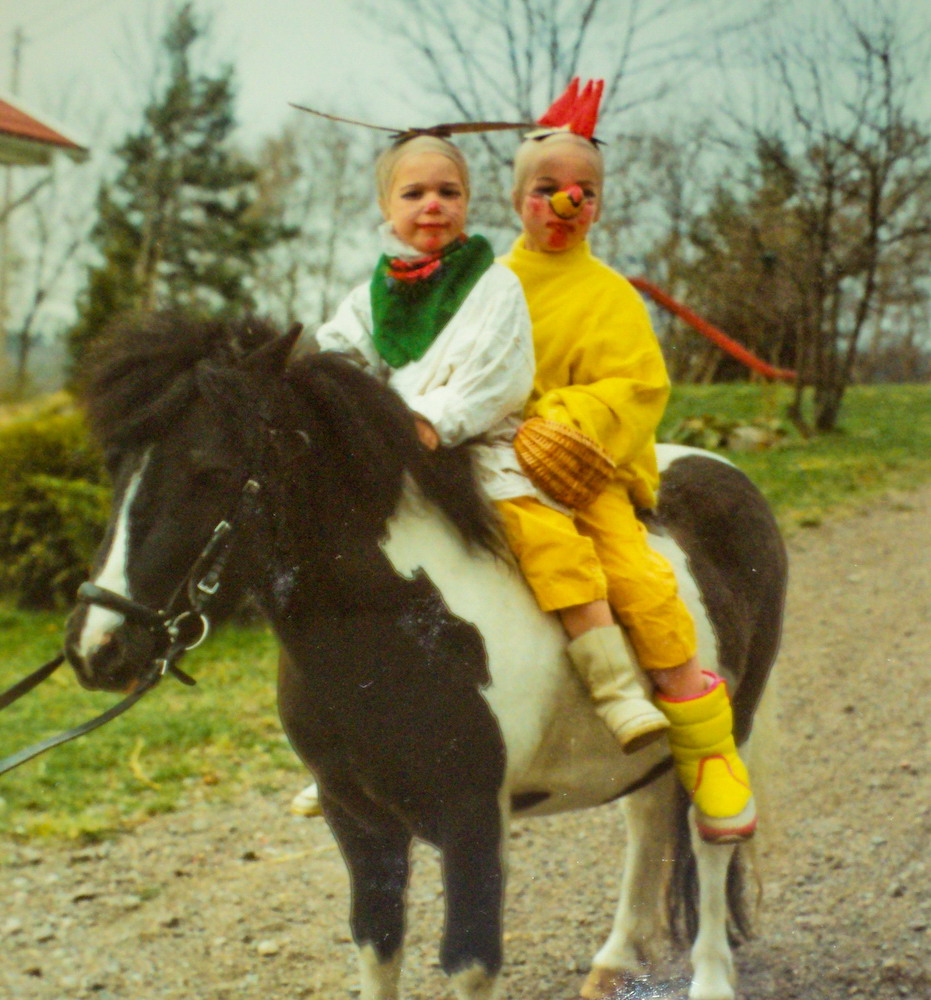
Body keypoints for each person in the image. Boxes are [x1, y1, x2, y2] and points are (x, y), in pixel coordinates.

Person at [496, 79, 756, 843]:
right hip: (486, 466)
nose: (567, 203)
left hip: (579, 472)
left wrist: (561, 421)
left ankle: (707, 750)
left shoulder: (609, 296)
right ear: (518, 200)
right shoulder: (486, 288)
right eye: (548, 189)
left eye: (585, 191)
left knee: (639, 580)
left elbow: (640, 386)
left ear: (601, 204)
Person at [289, 131, 546, 818]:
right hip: (390, 457)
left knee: (544, 551)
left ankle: (597, 685)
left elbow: (500, 370)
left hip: (471, 448)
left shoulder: (494, 284)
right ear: (385, 206)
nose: (432, 205)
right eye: (414, 193)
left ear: (467, 202)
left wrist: (432, 418)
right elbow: (341, 359)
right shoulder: (372, 292)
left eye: (448, 192)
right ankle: (348, 740)